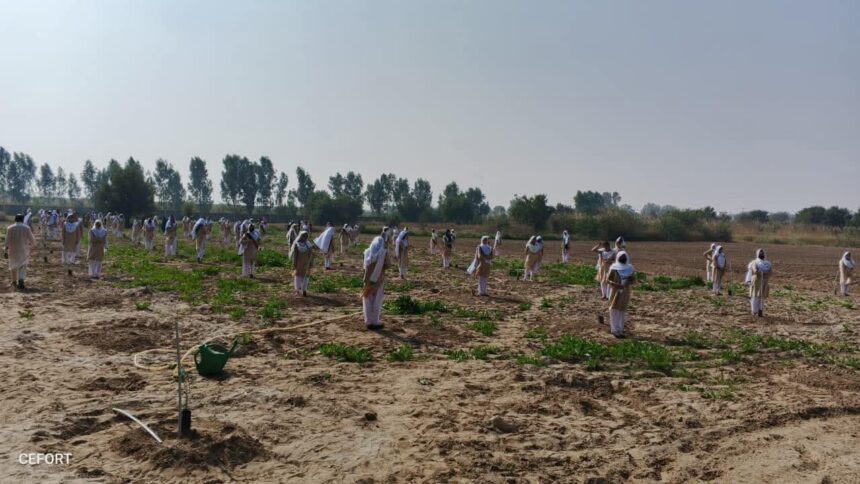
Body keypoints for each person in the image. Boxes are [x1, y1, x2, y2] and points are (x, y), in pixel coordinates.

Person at [362, 228, 391, 330]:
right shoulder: (383, 253)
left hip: (367, 278)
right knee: (377, 299)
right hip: (378, 279)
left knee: (367, 298)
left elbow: (364, 267)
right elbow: (388, 265)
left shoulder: (367, 252)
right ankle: (375, 321)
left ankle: (368, 321)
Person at [606, 251, 635, 338]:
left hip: (624, 292)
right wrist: (617, 285)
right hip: (616, 291)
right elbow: (608, 280)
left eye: (624, 257)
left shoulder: (630, 268)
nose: (623, 259)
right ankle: (615, 329)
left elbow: (633, 280)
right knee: (614, 309)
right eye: (622, 257)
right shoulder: (614, 268)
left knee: (621, 310)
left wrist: (625, 283)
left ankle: (619, 329)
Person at [4, 214, 36, 289]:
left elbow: (7, 240)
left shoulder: (10, 228)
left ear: (15, 219)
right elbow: (32, 241)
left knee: (13, 265)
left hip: (13, 250)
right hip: (23, 250)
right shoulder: (26, 228)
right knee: (23, 266)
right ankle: (21, 280)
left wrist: (5, 250)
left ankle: (14, 281)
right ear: (22, 220)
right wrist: (32, 246)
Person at [746, 249, 773, 317]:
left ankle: (760, 310)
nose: (762, 254)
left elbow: (770, 272)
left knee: (762, 297)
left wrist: (765, 273)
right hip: (756, 281)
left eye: (762, 253)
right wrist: (749, 280)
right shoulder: (754, 262)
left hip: (764, 282)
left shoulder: (767, 263)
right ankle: (754, 311)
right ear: (757, 254)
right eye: (760, 253)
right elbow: (753, 271)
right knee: (755, 296)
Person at [289, 230, 314, 296]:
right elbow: (311, 255)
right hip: (306, 263)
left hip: (299, 263)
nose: (305, 237)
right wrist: (311, 263)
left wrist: (294, 264)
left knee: (298, 276)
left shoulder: (297, 245)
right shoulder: (308, 245)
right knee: (305, 277)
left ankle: (298, 290)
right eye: (304, 236)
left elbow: (295, 256)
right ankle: (303, 290)